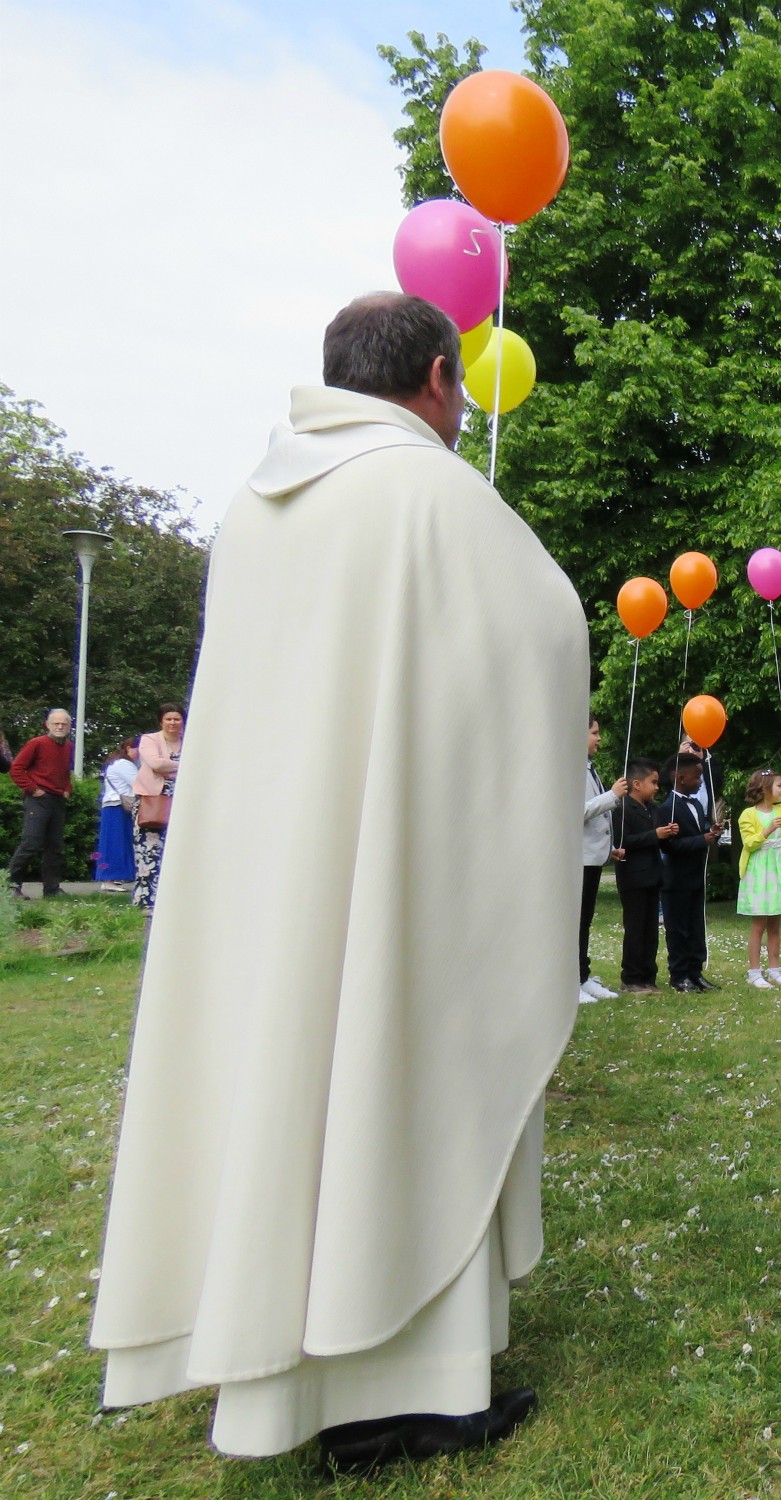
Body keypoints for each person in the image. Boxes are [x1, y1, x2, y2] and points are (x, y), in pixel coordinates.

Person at [90, 293, 586, 1471]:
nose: (464, 411)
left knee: (275, 1085)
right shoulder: (431, 493)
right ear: (429, 376)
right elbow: (551, 629)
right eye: (460, 387)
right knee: (394, 1079)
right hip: (399, 874)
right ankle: (412, 1389)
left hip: (267, 881)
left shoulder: (248, 511)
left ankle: (269, 1351)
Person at [737, 769, 781, 989]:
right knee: (759, 924)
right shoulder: (748, 815)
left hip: (778, 871)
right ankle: (754, 971)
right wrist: (766, 830)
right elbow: (749, 843)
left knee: (775, 923)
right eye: (779, 786)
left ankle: (775, 970)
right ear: (765, 789)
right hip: (759, 872)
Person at [579, 716, 627, 1005]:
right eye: (594, 733)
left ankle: (582, 976)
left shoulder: (588, 767)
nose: (599, 739)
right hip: (580, 861)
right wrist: (612, 796)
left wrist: (609, 848)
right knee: (577, 922)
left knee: (585, 921)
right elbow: (578, 811)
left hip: (593, 858)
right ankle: (571, 981)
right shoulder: (571, 768)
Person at [663, 754, 721, 992]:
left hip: (695, 877)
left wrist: (710, 831)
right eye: (697, 776)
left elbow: (698, 833)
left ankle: (696, 973)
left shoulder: (697, 804)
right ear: (680, 778)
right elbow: (669, 846)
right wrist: (701, 840)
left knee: (696, 927)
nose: (700, 781)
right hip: (676, 879)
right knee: (679, 929)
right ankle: (679, 975)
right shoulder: (667, 808)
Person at [611, 758, 667, 994]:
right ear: (636, 783)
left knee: (650, 930)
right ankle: (631, 978)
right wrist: (655, 835)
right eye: (653, 782)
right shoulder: (622, 808)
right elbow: (624, 841)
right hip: (633, 877)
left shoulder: (653, 809)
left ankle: (648, 977)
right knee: (635, 929)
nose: (657, 787)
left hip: (653, 876)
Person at [7, 708, 74, 900]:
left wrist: (67, 788)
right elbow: (17, 768)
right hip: (38, 800)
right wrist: (33, 789)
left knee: (54, 846)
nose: (60, 727)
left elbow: (64, 771)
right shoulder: (37, 743)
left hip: (57, 799)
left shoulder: (68, 746)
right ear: (48, 725)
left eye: (64, 724)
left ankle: (51, 889)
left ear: (69, 726)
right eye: (56, 723)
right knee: (31, 842)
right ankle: (11, 886)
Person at [130, 704, 185, 912]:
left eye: (177, 719)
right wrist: (184, 765)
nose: (173, 723)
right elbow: (155, 764)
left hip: (180, 803)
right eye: (168, 719)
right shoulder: (149, 740)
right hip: (152, 802)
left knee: (176, 851)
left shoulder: (188, 742)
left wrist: (167, 765)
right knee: (148, 852)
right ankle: (146, 900)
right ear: (161, 721)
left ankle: (172, 902)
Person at [95, 737, 141, 892]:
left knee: (116, 842)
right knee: (116, 843)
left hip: (115, 805)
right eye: (137, 749)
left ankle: (113, 877)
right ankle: (109, 878)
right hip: (117, 806)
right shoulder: (125, 764)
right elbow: (139, 783)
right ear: (128, 748)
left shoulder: (117, 763)